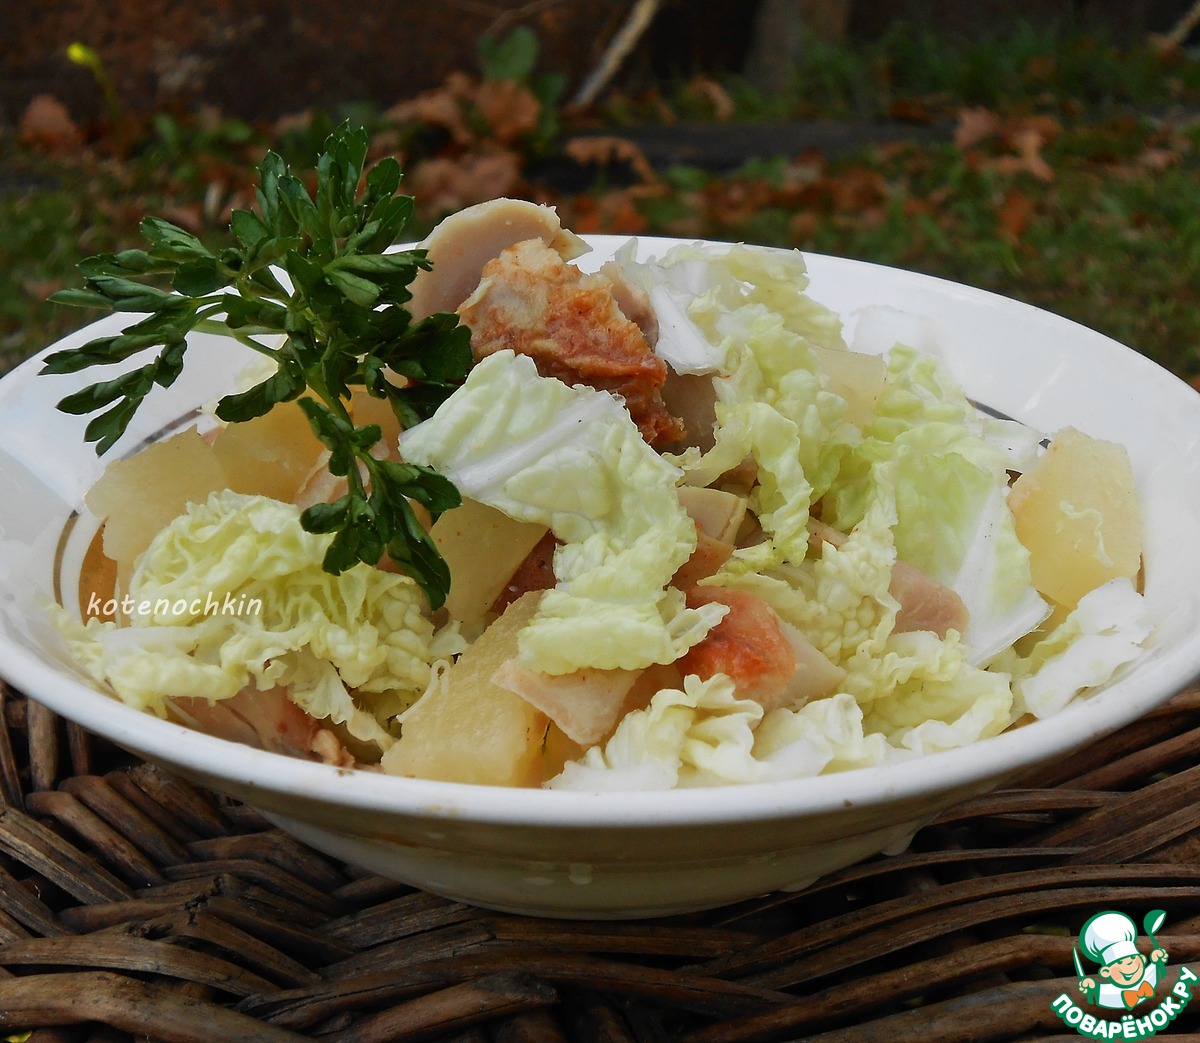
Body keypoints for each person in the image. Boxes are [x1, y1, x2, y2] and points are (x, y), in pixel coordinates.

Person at [1077, 910, 1168, 1011]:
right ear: (1106, 972)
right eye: (1120, 962)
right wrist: (1091, 987)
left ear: (1142, 959)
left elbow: (1153, 972)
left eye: (1133, 958)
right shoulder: (1110, 992)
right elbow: (1097, 992)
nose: (1129, 964)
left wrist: (1157, 961)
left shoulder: (1148, 977)